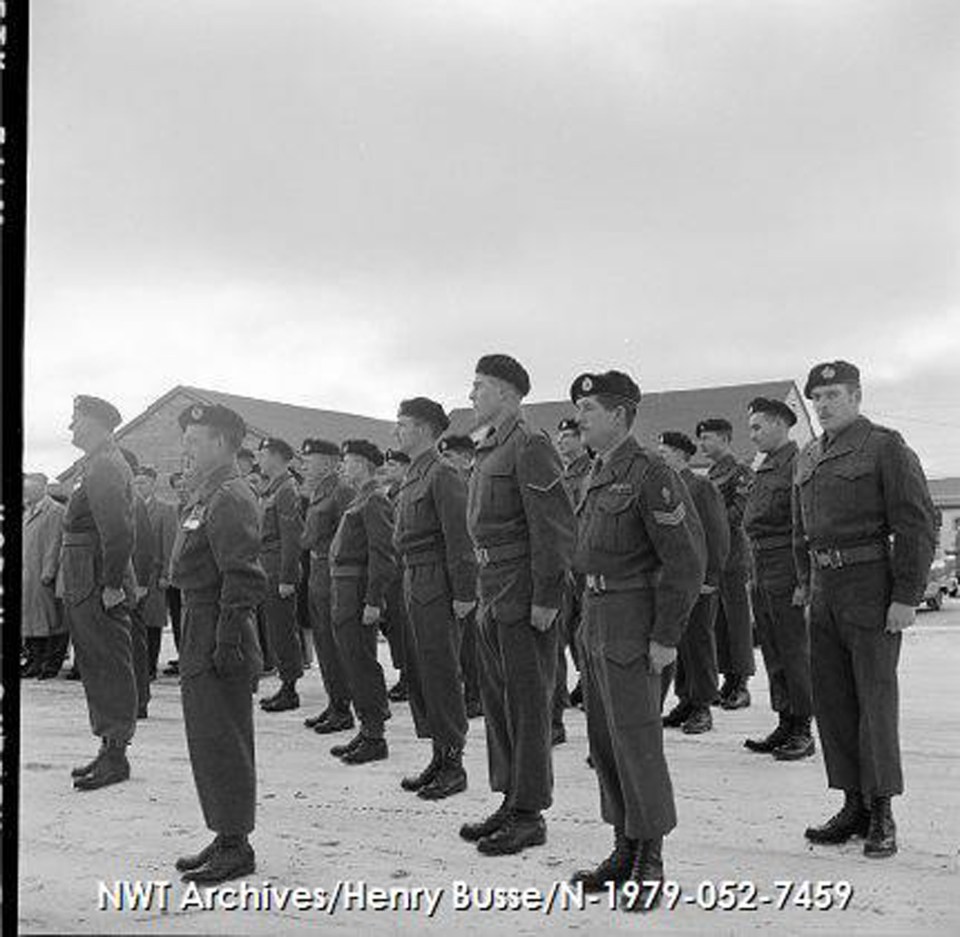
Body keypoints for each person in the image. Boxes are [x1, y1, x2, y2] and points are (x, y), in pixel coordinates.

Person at [568, 373, 705, 912]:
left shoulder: (650, 473)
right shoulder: (597, 473)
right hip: (597, 617)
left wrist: (667, 636)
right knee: (605, 743)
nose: (580, 418)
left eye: (589, 409)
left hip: (633, 618)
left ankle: (651, 856)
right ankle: (623, 846)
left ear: (621, 415)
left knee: (637, 743)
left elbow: (686, 561)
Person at [794, 361, 937, 859]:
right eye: (817, 397)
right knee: (833, 703)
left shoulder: (884, 446)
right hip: (824, 591)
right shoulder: (808, 455)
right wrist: (804, 585)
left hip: (869, 587)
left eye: (833, 394)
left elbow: (917, 524)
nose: (823, 404)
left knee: (874, 703)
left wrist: (905, 595)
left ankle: (882, 811)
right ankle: (852, 804)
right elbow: (801, 530)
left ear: (856, 396)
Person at [460, 354, 575, 856]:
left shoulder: (529, 445)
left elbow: (554, 526)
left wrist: (547, 597)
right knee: (500, 702)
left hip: (523, 589)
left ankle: (530, 813)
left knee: (528, 705)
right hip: (492, 585)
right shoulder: (487, 448)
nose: (472, 396)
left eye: (480, 387)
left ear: (507, 393)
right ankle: (510, 798)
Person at [170, 403, 266, 884]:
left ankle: (237, 844)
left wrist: (228, 642)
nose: (186, 446)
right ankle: (226, 833)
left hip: (216, 625)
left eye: (195, 438)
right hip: (198, 620)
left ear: (223, 443)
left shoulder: (230, 495)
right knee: (208, 737)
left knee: (223, 736)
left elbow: (243, 576)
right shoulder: (207, 492)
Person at [393, 397, 477, 801]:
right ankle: (437, 755)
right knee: (421, 670)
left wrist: (464, 592)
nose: (398, 431)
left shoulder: (442, 474)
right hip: (413, 576)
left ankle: (453, 761)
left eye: (405, 424)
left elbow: (460, 539)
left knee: (441, 671)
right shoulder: (415, 474)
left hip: (436, 579)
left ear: (426, 430)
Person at [58, 395, 138, 790]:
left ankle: (116, 754)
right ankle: (108, 748)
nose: (70, 427)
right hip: (84, 575)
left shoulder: (105, 464)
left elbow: (119, 531)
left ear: (96, 422)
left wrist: (110, 584)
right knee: (96, 662)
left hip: (95, 577)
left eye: (76, 419)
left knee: (108, 663)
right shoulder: (96, 462)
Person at [742, 397, 815, 760]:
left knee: (794, 650)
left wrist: (805, 579)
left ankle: (803, 726)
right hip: (761, 565)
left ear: (779, 424)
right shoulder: (767, 466)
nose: (751, 435)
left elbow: (805, 525)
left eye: (757, 427)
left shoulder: (798, 463)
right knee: (773, 648)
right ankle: (785, 719)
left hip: (786, 564)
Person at [327, 439, 396, 764]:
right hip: (344, 589)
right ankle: (367, 728)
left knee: (362, 662)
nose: (344, 466)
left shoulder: (374, 501)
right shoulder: (360, 498)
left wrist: (374, 600)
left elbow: (382, 555)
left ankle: (375, 734)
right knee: (352, 661)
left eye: (351, 461)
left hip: (357, 591)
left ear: (366, 465)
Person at [657, 432, 730, 734]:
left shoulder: (700, 487)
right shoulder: (662, 487)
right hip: (672, 581)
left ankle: (702, 705)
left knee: (699, 642)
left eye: (664, 452)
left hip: (699, 580)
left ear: (680, 455)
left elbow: (718, 533)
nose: (659, 457)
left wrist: (711, 576)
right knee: (680, 641)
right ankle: (685, 699)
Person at [696, 417, 755, 709]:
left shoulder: (740, 471)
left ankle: (741, 682)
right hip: (715, 557)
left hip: (733, 557)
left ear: (724, 439)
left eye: (707, 438)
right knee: (719, 622)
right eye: (701, 438)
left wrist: (709, 525)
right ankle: (727, 678)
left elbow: (740, 512)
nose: (702, 443)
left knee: (738, 621)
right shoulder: (712, 473)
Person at [299, 437, 356, 735]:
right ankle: (334, 702)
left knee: (335, 644)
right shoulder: (319, 490)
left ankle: (344, 708)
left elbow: (350, 535)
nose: (305, 464)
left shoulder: (342, 490)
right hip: (317, 570)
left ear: (330, 462)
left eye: (311, 460)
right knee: (322, 641)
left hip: (334, 573)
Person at [257, 437, 305, 712]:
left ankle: (290, 688)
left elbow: (291, 537)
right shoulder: (272, 489)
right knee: (276, 629)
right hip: (268, 565)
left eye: (263, 454)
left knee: (283, 629)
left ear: (276, 456)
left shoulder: (286, 489)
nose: (259, 459)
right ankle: (285, 682)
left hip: (278, 568)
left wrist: (287, 577)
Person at [438, 434, 483, 719]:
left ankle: (476, 695)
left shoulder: (474, 487)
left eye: (450, 457)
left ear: (467, 460)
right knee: (459, 639)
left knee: (471, 642)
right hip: (452, 569)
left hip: (474, 571)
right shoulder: (448, 486)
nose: (445, 463)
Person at [554, 417, 591, 727]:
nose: (562, 441)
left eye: (568, 436)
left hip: (583, 562)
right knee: (565, 628)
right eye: (560, 436)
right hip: (566, 561)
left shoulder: (590, 471)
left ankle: (590, 683)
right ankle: (580, 683)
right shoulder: (563, 475)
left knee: (584, 626)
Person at [120, 449, 155, 719]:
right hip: (118, 582)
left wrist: (142, 584)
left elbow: (144, 546)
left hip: (130, 585)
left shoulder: (134, 500)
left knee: (134, 646)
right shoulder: (118, 496)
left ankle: (140, 700)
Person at [21, 472, 67, 679]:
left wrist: (49, 571)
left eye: (30, 489)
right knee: (30, 621)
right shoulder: (27, 511)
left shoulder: (55, 511)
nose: (26, 493)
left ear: (42, 488)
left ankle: (48, 663)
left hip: (42, 573)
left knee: (49, 621)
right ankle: (33, 660)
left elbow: (55, 542)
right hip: (27, 573)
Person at [379, 448, 412, 702]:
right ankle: (404, 672)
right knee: (392, 625)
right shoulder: (389, 494)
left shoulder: (405, 494)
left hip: (402, 568)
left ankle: (408, 676)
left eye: (393, 465)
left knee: (403, 626)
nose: (388, 469)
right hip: (390, 568)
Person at [161, 471, 189, 676]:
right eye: (177, 487)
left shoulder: (198, 508)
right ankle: (182, 655)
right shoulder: (174, 511)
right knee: (177, 616)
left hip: (191, 573)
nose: (181, 489)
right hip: (174, 573)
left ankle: (189, 657)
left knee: (189, 617)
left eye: (184, 485)